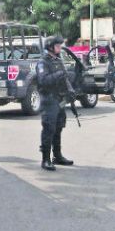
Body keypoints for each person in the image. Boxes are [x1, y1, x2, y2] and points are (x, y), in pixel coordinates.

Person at [35, 35, 74, 171]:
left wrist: (70, 90)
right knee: (49, 129)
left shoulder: (58, 60)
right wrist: (58, 74)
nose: (59, 48)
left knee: (58, 127)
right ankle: (45, 159)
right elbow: (43, 81)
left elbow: (65, 77)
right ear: (50, 47)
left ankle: (57, 156)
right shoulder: (43, 63)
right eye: (57, 46)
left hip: (59, 99)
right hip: (48, 100)